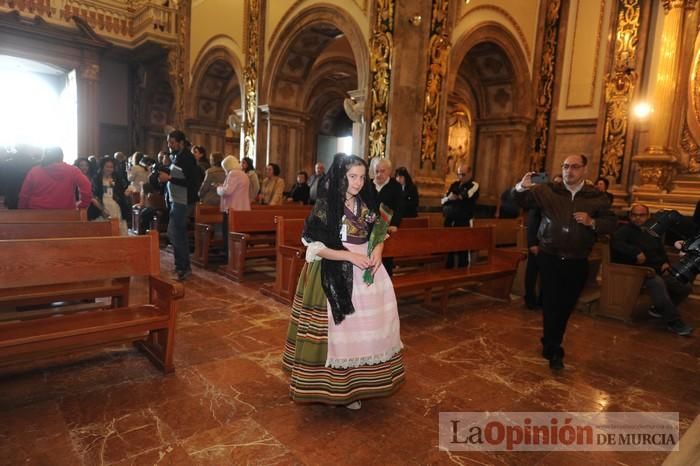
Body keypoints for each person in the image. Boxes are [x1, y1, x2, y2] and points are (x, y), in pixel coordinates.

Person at [282, 153, 405, 410]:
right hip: (334, 272)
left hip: (366, 271)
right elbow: (313, 245)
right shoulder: (327, 205)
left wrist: (378, 250)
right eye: (352, 176)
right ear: (341, 177)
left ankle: (358, 384)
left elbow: (378, 232)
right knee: (342, 333)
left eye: (362, 177)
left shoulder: (365, 204)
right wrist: (348, 256)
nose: (358, 182)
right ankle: (338, 387)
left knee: (366, 330)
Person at [512, 153, 617, 371]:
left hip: (577, 259)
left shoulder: (596, 197)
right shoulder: (547, 190)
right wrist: (521, 187)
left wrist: (593, 221)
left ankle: (550, 340)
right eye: (565, 166)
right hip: (550, 256)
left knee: (566, 306)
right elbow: (518, 200)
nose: (569, 171)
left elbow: (611, 222)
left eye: (575, 167)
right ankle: (554, 348)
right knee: (550, 303)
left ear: (585, 170)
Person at [611, 204, 694, 336]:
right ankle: (674, 322)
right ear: (630, 216)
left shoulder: (652, 231)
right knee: (658, 283)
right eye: (634, 215)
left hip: (657, 269)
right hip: (638, 271)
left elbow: (660, 250)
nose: (637, 218)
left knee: (684, 285)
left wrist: (665, 263)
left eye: (641, 215)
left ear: (648, 216)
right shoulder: (624, 230)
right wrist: (635, 252)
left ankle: (658, 309)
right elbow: (616, 243)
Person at [158, 130, 199, 281]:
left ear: (181, 142)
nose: (169, 145)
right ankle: (181, 266)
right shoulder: (177, 157)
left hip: (183, 201)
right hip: (176, 200)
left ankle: (184, 268)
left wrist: (169, 178)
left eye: (172, 142)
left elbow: (191, 182)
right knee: (177, 233)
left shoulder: (187, 158)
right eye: (168, 142)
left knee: (176, 233)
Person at [18, 146, 92, 210]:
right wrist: (83, 205)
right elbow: (87, 187)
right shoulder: (73, 170)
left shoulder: (34, 171)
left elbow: (24, 195)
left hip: (37, 213)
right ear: (61, 156)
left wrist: (23, 210)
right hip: (66, 214)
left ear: (45, 156)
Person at [441, 163, 479, 268]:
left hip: (464, 221)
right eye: (458, 174)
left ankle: (464, 275)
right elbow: (443, 200)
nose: (460, 177)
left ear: (470, 174)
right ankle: (449, 273)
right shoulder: (454, 184)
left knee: (464, 249)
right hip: (450, 221)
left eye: (463, 174)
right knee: (449, 249)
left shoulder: (474, 185)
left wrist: (455, 197)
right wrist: (449, 198)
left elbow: (465, 196)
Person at [373, 158, 404, 275]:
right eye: (376, 171)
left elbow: (400, 208)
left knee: (385, 263)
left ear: (389, 172)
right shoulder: (368, 185)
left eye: (382, 171)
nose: (379, 174)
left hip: (387, 229)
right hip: (370, 229)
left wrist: (395, 224)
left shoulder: (395, 187)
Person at [217, 155, 251, 255]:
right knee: (237, 234)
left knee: (229, 234)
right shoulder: (243, 174)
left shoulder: (233, 173)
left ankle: (229, 257)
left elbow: (227, 191)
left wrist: (219, 188)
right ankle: (236, 256)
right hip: (242, 209)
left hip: (232, 209)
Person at [88, 157, 130, 235]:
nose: (109, 169)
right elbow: (93, 196)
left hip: (115, 206)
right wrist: (102, 209)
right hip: (101, 206)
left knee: (117, 228)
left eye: (111, 167)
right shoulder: (96, 179)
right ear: (102, 167)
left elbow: (121, 192)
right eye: (107, 166)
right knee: (103, 230)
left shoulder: (117, 179)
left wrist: (126, 193)